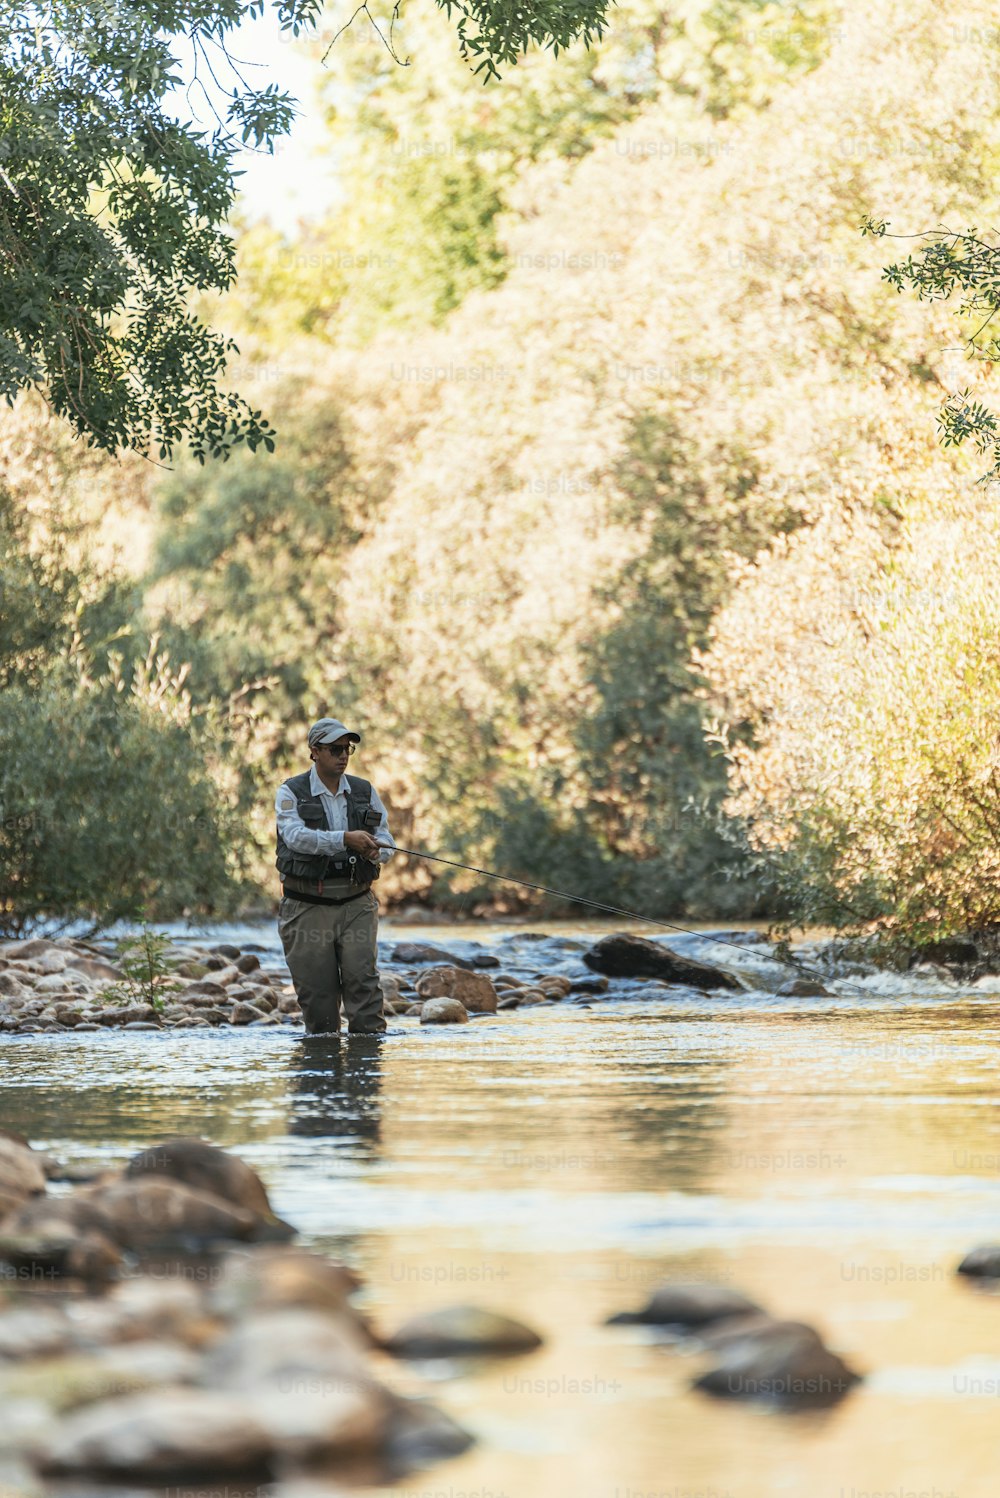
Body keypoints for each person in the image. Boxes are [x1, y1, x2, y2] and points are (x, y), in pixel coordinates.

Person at [275, 717, 395, 1035]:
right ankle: (323, 1078)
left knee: (365, 989)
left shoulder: (364, 790)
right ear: (315, 751)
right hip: (306, 905)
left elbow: (387, 840)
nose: (343, 755)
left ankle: (366, 1075)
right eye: (335, 749)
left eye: (347, 749)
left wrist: (376, 851)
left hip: (357, 902)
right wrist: (344, 838)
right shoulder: (291, 791)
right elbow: (294, 836)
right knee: (319, 1004)